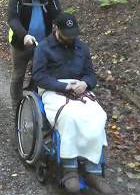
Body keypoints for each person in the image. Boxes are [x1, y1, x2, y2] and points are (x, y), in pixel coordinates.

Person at [32, 13, 113, 195]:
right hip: (53, 89)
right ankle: (70, 169)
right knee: (70, 116)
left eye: (73, 34)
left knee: (98, 115)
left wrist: (85, 83)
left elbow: (90, 75)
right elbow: (39, 76)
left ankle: (93, 170)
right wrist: (63, 85)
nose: (71, 37)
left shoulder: (82, 48)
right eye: (67, 34)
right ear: (57, 29)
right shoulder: (44, 48)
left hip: (80, 89)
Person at [7, 0, 60, 109]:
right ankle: (16, 105)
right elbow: (12, 19)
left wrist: (63, 30)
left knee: (41, 71)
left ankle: (38, 103)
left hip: (43, 43)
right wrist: (24, 36)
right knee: (18, 74)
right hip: (20, 42)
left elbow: (58, 15)